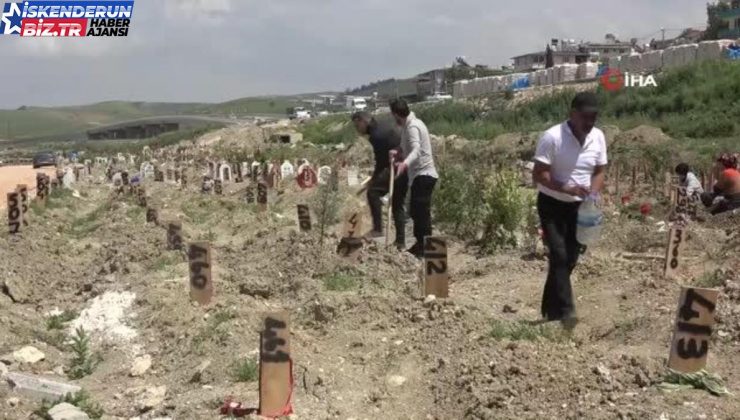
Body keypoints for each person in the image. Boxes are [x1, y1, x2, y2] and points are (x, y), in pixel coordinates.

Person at [532, 92, 607, 327]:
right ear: (572, 114)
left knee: (571, 257)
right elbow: (539, 174)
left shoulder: (598, 137)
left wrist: (592, 194)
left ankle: (550, 308)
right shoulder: (552, 137)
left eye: (594, 118)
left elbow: (600, 169)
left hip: (580, 206)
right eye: (585, 117)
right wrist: (566, 187)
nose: (590, 123)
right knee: (559, 254)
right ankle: (567, 312)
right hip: (552, 204)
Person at [389, 99, 439, 258]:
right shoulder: (406, 127)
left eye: (393, 115)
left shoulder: (413, 127)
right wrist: (397, 151)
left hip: (424, 175)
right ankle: (420, 245)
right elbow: (406, 148)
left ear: (396, 114)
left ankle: (425, 249)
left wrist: (404, 164)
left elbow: (416, 150)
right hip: (418, 176)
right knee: (416, 211)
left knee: (421, 213)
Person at [351, 111, 408, 248]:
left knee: (373, 192)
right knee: (397, 204)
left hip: (396, 165)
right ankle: (400, 242)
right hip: (406, 165)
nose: (357, 129)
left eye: (356, 125)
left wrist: (374, 179)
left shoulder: (376, 135)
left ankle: (377, 229)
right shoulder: (381, 126)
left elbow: (382, 162)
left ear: (363, 121)